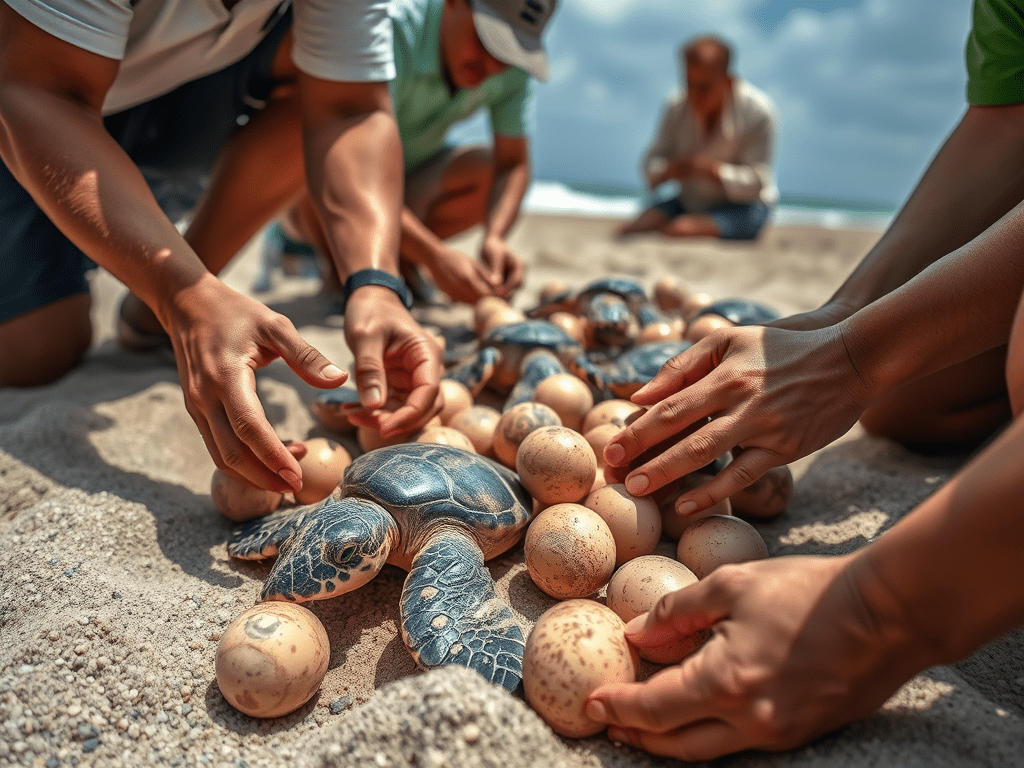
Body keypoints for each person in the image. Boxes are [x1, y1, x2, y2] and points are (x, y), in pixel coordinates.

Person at [582, 0, 1024, 758]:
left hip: (735, 209)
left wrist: (877, 611)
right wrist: (843, 321)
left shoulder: (755, 111)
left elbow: (755, 183)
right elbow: (1005, 118)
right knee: (908, 404)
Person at [0, 0, 444, 496]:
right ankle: (181, 300)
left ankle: (168, 303)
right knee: (38, 354)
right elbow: (35, 88)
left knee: (322, 72)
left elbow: (350, 108)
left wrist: (375, 284)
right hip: (30, 96)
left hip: (172, 98)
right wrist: (183, 295)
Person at [261, 0, 558, 305]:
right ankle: (328, 260)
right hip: (343, 179)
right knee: (322, 153)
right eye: (487, 43)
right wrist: (433, 256)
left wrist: (494, 238)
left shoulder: (512, 70)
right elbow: (345, 161)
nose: (493, 67)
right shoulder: (388, 31)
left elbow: (513, 164)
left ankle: (400, 262)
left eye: (508, 54)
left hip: (407, 179)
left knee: (486, 173)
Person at [615, 35, 778, 241]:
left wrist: (713, 171)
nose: (694, 95)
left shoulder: (758, 110)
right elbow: (650, 164)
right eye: (689, 84)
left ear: (728, 82)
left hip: (744, 206)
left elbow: (758, 182)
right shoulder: (676, 105)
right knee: (637, 226)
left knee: (682, 229)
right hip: (690, 202)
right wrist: (669, 170)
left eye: (704, 87)